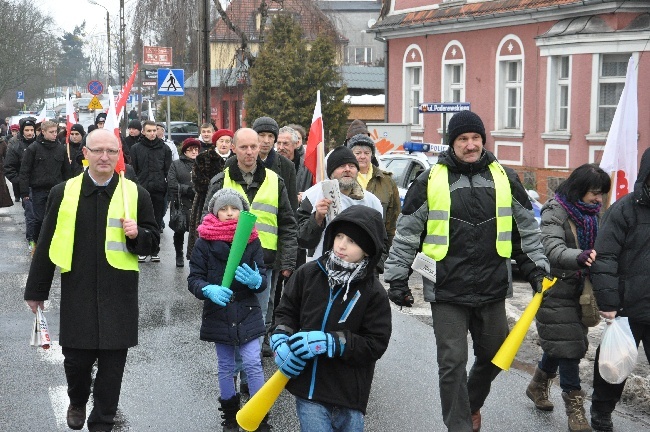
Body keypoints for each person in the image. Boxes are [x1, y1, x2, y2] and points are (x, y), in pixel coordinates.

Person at [383, 110, 550, 432]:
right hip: (447, 289)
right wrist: (397, 277)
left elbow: (526, 228)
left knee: (496, 355)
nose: (470, 145)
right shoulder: (430, 179)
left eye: (475, 138)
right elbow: (407, 233)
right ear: (452, 143)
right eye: (463, 139)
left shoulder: (504, 177)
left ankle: (471, 404)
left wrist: (536, 267)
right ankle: (459, 426)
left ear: (483, 140)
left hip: (492, 286)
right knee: (451, 363)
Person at [23, 128, 159, 432]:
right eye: (97, 150)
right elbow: (46, 243)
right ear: (85, 154)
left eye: (111, 151)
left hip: (119, 295)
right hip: (78, 292)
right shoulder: (63, 192)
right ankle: (77, 400)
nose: (104, 157)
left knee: (112, 371)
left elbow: (153, 241)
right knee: (76, 364)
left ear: (118, 156)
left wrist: (139, 235)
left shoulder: (136, 194)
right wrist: (36, 291)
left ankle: (102, 422)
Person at [270, 205, 392, 432]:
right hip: (310, 390)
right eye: (339, 236)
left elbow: (375, 343)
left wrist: (332, 342)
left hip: (348, 395)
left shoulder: (373, 292)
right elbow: (286, 312)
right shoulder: (307, 274)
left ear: (368, 250)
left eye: (353, 241)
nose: (342, 245)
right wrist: (280, 339)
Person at [203, 128, 297, 377]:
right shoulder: (220, 180)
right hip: (226, 263)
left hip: (264, 263)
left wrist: (287, 260)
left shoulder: (275, 181)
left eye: (253, 147)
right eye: (243, 147)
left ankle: (249, 376)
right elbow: (205, 223)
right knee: (230, 320)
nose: (249, 152)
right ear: (233, 147)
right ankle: (231, 373)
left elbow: (288, 222)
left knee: (259, 321)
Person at [527, 163, 611, 432]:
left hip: (582, 291)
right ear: (579, 188)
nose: (599, 199)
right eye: (595, 193)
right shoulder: (556, 210)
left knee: (562, 343)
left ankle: (538, 384)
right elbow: (552, 246)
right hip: (555, 287)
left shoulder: (595, 214)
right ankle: (576, 411)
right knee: (571, 348)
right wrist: (579, 256)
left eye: (602, 194)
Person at [188, 189, 269, 432]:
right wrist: (207, 289)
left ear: (242, 211)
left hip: (247, 310)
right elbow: (194, 279)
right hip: (219, 311)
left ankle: (259, 415)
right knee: (225, 365)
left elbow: (263, 277)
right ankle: (230, 416)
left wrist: (256, 281)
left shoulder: (252, 240)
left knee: (253, 362)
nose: (229, 213)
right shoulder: (203, 242)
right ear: (214, 212)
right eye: (223, 209)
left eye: (234, 208)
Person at [589, 148, 650, 432]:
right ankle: (601, 410)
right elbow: (606, 257)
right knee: (614, 363)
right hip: (628, 306)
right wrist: (609, 300)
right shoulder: (625, 209)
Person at [297, 145, 384, 262]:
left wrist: (375, 267)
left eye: (352, 166)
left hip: (359, 271)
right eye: (342, 166)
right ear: (331, 172)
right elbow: (302, 240)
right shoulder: (313, 196)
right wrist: (317, 219)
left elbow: (380, 239)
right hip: (321, 269)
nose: (347, 169)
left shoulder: (371, 201)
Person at [347, 133, 400, 271]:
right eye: (357, 152)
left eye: (367, 152)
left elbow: (393, 220)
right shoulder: (344, 179)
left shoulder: (387, 181)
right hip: (347, 248)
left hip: (374, 250)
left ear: (372, 155)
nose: (362, 156)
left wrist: (382, 256)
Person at [19, 120, 71, 246]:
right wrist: (24, 192)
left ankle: (54, 244)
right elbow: (25, 171)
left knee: (56, 219)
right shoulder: (33, 149)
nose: (54, 134)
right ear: (43, 132)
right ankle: (37, 243)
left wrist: (69, 188)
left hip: (57, 190)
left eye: (56, 132)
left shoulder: (61, 149)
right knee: (39, 219)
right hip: (38, 190)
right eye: (51, 132)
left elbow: (66, 171)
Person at [187, 128, 234, 260]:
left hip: (232, 204)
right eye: (221, 141)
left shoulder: (235, 159)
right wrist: (216, 189)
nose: (224, 144)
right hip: (205, 202)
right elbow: (198, 182)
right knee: (204, 233)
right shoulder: (203, 158)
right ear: (216, 142)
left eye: (227, 141)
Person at [130, 120, 172, 262]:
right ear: (143, 132)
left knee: (157, 221)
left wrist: (168, 190)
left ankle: (155, 250)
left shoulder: (165, 149)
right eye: (149, 131)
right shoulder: (136, 148)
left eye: (154, 130)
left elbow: (168, 171)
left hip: (159, 190)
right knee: (142, 221)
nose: (152, 133)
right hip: (141, 191)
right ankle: (142, 249)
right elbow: (134, 170)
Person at [4, 117, 38, 245]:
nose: (30, 133)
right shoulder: (16, 147)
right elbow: (9, 168)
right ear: (22, 131)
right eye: (27, 130)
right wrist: (20, 182)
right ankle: (31, 240)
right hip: (26, 189)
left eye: (31, 129)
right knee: (31, 215)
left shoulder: (40, 144)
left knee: (42, 216)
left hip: (41, 186)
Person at [168, 138, 199, 267]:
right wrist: (187, 189)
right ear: (185, 151)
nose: (194, 152)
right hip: (180, 202)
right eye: (191, 149)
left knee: (198, 232)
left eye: (196, 149)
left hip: (197, 202)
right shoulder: (176, 164)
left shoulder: (201, 164)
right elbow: (171, 183)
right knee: (179, 230)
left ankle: (196, 255)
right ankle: (179, 254)